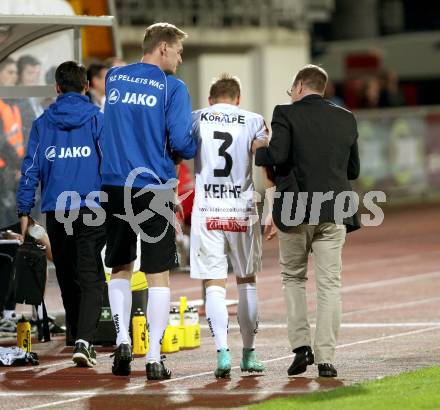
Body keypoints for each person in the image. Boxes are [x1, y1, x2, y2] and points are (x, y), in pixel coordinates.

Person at [100, 22, 197, 380]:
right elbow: (183, 142)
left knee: (120, 266)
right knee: (157, 274)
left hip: (113, 185)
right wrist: (184, 147)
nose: (180, 58)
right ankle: (154, 358)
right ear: (163, 49)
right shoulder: (173, 87)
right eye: (179, 51)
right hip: (153, 187)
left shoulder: (114, 78)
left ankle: (123, 340)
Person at [253, 64, 360, 378]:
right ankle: (326, 358)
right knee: (330, 286)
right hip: (336, 209)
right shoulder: (346, 118)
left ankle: (302, 348)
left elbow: (278, 154)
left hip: (295, 209)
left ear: (299, 86)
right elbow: (352, 170)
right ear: (322, 88)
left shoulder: (285, 113)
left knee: (294, 278)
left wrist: (260, 149)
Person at [16, 61, 106, 367]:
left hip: (57, 209)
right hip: (92, 207)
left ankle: (76, 336)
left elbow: (30, 168)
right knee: (90, 273)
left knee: (67, 273)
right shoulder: (97, 118)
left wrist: (23, 208)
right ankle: (85, 340)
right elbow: (108, 161)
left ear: (57, 88)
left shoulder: (43, 123)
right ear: (85, 87)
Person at [191, 73, 267, 378]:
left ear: (210, 99)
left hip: (207, 208)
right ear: (238, 98)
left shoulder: (196, 118)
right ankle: (249, 353)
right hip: (242, 208)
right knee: (246, 281)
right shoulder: (254, 119)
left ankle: (222, 353)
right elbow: (265, 157)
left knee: (214, 284)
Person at [0, 57, 25, 230]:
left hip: (12, 170)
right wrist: (18, 166)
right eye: (9, 72)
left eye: (16, 73)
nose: (14, 77)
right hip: (4, 170)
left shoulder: (12, 104)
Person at [16, 55, 44, 145]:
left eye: (37, 74)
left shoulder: (34, 97)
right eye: (30, 73)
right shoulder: (16, 99)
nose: (34, 78)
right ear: (19, 75)